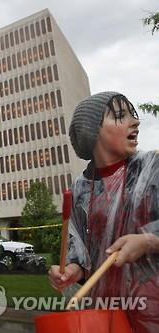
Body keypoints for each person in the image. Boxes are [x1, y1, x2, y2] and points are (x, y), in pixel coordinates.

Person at [48, 92, 159, 332]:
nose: (135, 122)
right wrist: (71, 272)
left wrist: (149, 240)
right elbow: (80, 252)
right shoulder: (80, 188)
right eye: (120, 116)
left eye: (133, 115)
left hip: (152, 311)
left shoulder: (153, 168)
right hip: (102, 314)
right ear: (93, 131)